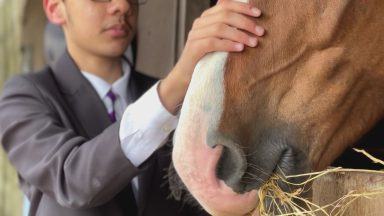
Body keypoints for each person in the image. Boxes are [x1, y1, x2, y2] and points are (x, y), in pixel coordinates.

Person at [0, 0, 265, 215]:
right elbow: (72, 180)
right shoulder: (25, 96)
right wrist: (178, 82)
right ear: (55, 8)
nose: (122, 6)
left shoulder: (180, 98)